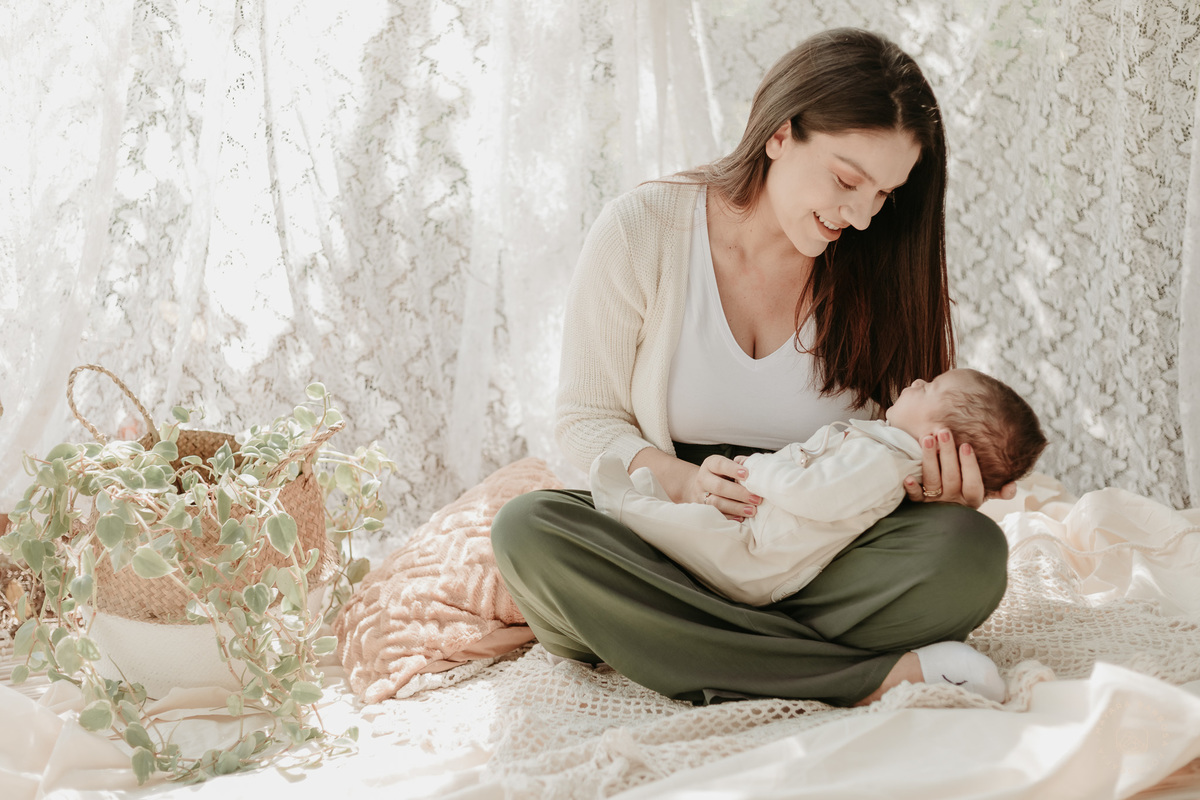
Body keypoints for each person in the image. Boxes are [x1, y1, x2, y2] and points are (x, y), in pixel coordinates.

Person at [492, 27, 1027, 707]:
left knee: (969, 556)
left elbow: (899, 443)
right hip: (673, 544)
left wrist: (933, 486)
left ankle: (670, 643)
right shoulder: (643, 229)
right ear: (780, 133)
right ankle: (865, 676)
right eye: (846, 180)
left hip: (815, 551)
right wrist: (682, 483)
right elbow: (586, 418)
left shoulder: (884, 267)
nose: (862, 216)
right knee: (530, 533)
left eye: (885, 195)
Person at [589, 368, 1047, 611]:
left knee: (973, 548)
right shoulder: (879, 447)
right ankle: (642, 505)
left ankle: (627, 506)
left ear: (937, 435)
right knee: (533, 524)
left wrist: (756, 470)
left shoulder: (882, 459)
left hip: (759, 556)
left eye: (929, 387)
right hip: (754, 530)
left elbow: (816, 494)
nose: (915, 381)